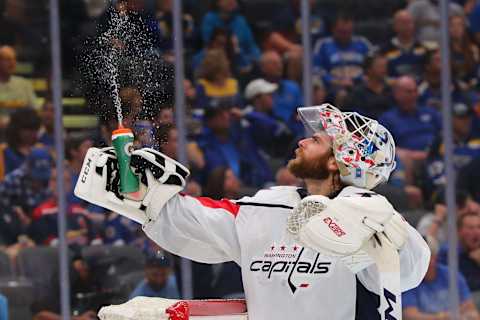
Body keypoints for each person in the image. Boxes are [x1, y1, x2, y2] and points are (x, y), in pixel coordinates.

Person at [76, 103, 430, 319]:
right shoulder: (267, 206)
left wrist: (368, 231)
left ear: (343, 160)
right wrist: (146, 197)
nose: (303, 140)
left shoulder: (374, 216)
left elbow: (409, 270)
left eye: (319, 140)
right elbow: (185, 222)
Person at [402, 236, 480, 319]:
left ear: (435, 256)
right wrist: (443, 316)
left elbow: (470, 307)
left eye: (428, 256)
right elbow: (410, 315)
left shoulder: (451, 274)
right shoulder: (410, 280)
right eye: (418, 257)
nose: (422, 262)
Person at [438, 213, 480, 292]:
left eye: (479, 227)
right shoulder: (448, 254)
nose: (476, 232)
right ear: (459, 231)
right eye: (471, 228)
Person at [380, 10, 427, 79]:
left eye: (409, 22)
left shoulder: (424, 48)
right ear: (395, 26)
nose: (407, 26)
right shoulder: (384, 50)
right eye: (403, 23)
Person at [0, 46, 38, 126]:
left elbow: (34, 110)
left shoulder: (24, 84)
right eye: (7, 59)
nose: (12, 63)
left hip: (21, 130)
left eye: (14, 59)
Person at [0, 107, 42, 180]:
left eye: (34, 129)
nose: (31, 133)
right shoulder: (3, 151)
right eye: (27, 129)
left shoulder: (42, 151)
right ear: (16, 129)